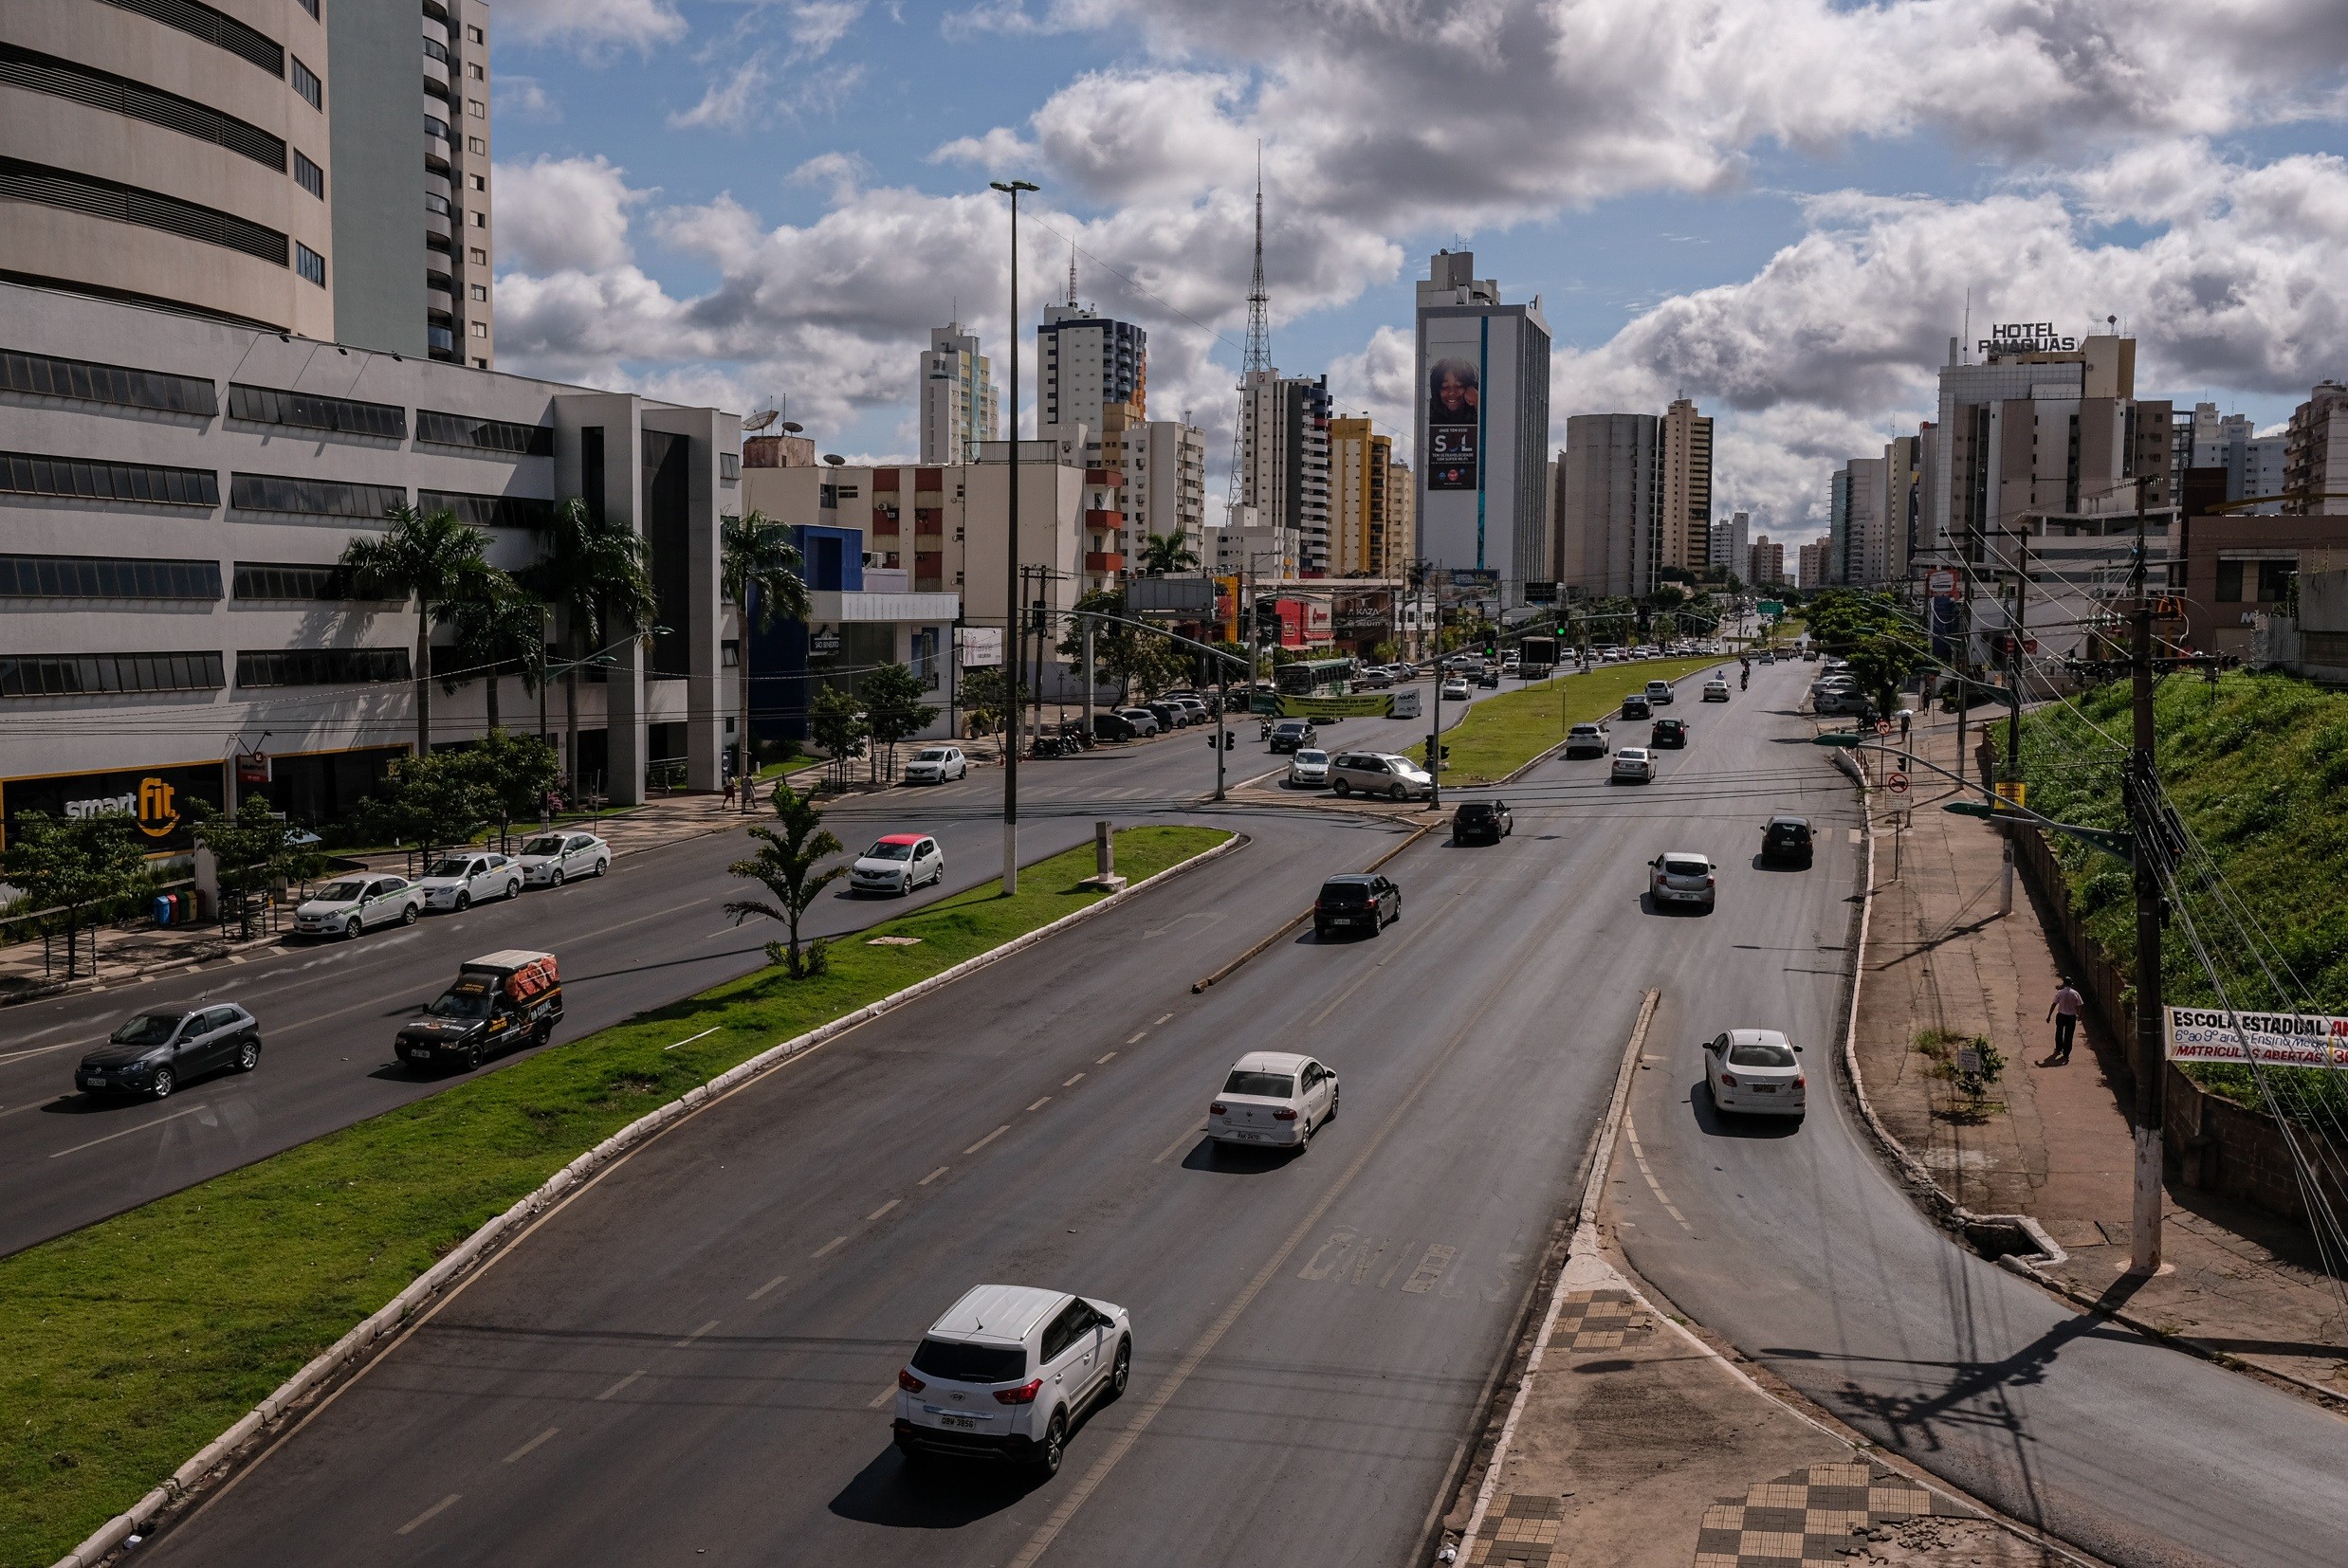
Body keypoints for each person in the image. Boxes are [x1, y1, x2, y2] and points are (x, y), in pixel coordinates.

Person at [2047, 976, 2083, 1063]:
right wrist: (2079, 1015)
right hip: (2071, 1017)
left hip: (2061, 1016)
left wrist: (2049, 1016)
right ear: (2071, 984)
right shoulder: (2075, 993)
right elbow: (2080, 1005)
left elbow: (2054, 1004)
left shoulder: (2060, 993)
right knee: (2069, 1035)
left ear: (2064, 983)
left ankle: (2059, 1048)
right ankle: (2066, 1053)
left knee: (2059, 1032)